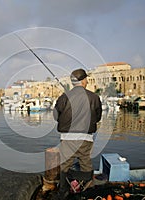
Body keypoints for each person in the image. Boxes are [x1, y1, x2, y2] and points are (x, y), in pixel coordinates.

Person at [53, 68, 102, 197]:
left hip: (67, 138)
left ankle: (63, 191)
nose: (87, 81)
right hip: (85, 138)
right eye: (86, 79)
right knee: (85, 163)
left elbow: (55, 115)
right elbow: (98, 117)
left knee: (65, 164)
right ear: (83, 80)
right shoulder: (94, 97)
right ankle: (87, 190)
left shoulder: (64, 97)